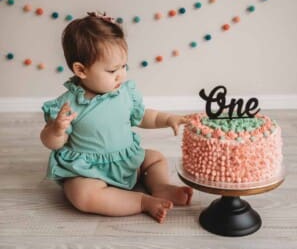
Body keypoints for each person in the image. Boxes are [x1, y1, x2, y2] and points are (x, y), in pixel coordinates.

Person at [40, 12, 193, 223]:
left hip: (127, 161)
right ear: (81, 70)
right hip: (88, 171)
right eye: (113, 70)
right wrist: (56, 130)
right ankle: (141, 201)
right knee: (82, 196)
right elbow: (51, 142)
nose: (121, 74)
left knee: (155, 157)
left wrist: (166, 119)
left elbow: (142, 117)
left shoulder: (125, 92)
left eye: (124, 66)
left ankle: (161, 187)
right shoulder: (69, 104)